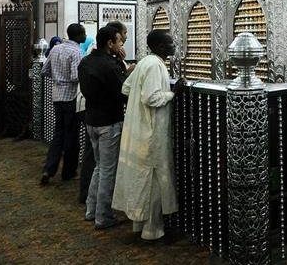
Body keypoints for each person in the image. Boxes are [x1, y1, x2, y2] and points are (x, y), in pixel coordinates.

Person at [112, 30, 184, 242]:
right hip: (151, 132)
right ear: (160, 46)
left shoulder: (145, 62)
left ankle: (140, 224)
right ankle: (153, 230)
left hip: (140, 129)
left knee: (142, 177)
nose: (173, 45)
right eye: (170, 42)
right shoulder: (154, 65)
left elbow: (126, 88)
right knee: (153, 181)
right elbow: (151, 98)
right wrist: (173, 93)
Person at [78, 26, 128, 229]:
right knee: (107, 170)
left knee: (99, 167)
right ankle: (103, 216)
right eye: (119, 41)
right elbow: (123, 91)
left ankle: (91, 210)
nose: (121, 44)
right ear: (110, 43)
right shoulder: (109, 65)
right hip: (109, 122)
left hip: (91, 120)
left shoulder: (86, 61)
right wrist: (124, 68)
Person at [40, 23, 86, 185]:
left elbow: (44, 71)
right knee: (71, 136)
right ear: (78, 35)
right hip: (71, 98)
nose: (85, 36)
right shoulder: (76, 52)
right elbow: (75, 76)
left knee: (58, 135)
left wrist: (58, 79)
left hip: (57, 97)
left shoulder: (55, 49)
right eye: (84, 33)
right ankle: (68, 172)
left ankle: (48, 169)